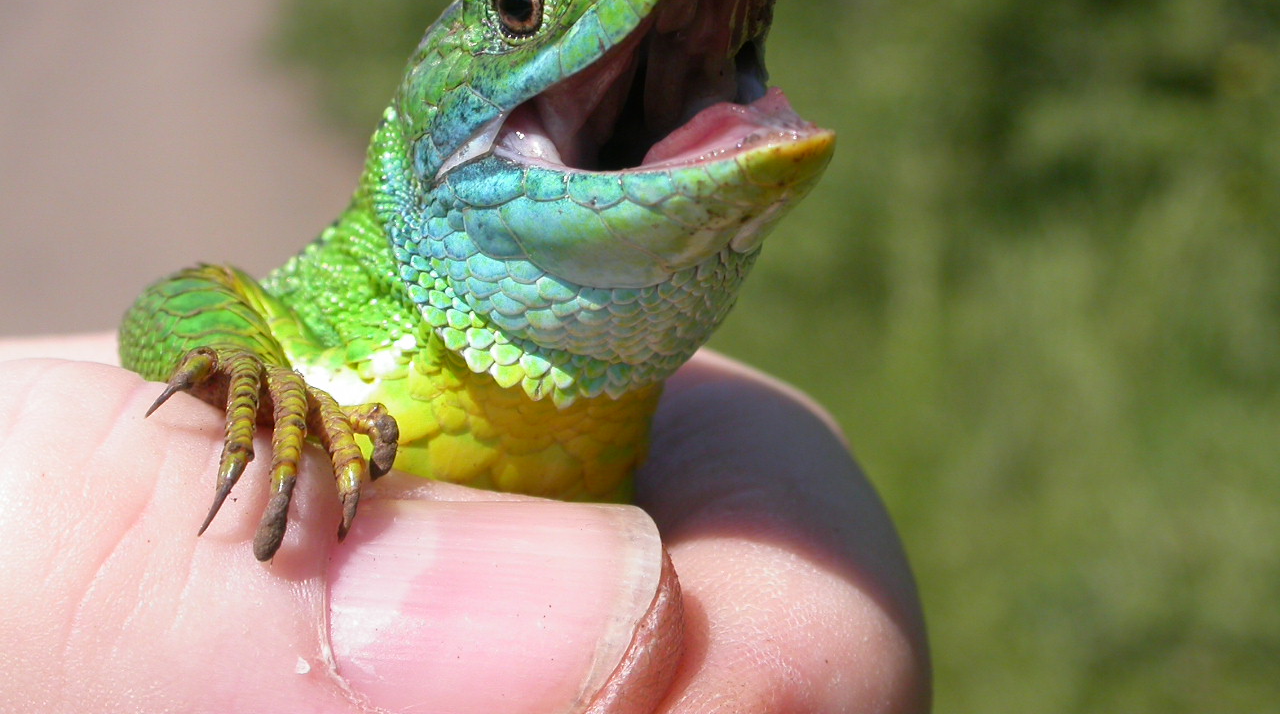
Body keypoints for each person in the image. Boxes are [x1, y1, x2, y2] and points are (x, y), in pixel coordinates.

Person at [0, 335, 930, 713]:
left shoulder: (641, 392)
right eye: (520, 7)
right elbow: (171, 304)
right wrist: (247, 358)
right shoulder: (330, 307)